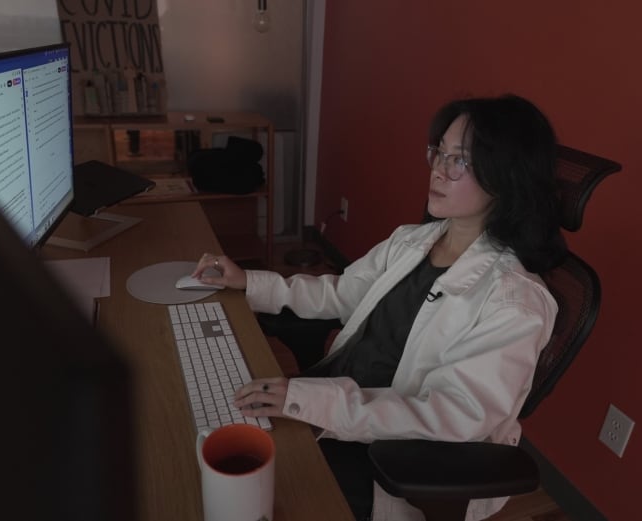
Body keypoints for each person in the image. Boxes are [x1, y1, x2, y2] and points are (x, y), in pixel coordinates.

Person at [192, 94, 566, 521]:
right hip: (331, 401)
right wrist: (249, 280)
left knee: (242, 492)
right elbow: (341, 293)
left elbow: (454, 415)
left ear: (505, 178)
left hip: (389, 455)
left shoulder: (515, 301)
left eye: (459, 160)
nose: (438, 170)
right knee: (210, 436)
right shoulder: (413, 240)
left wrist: (318, 403)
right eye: (439, 152)